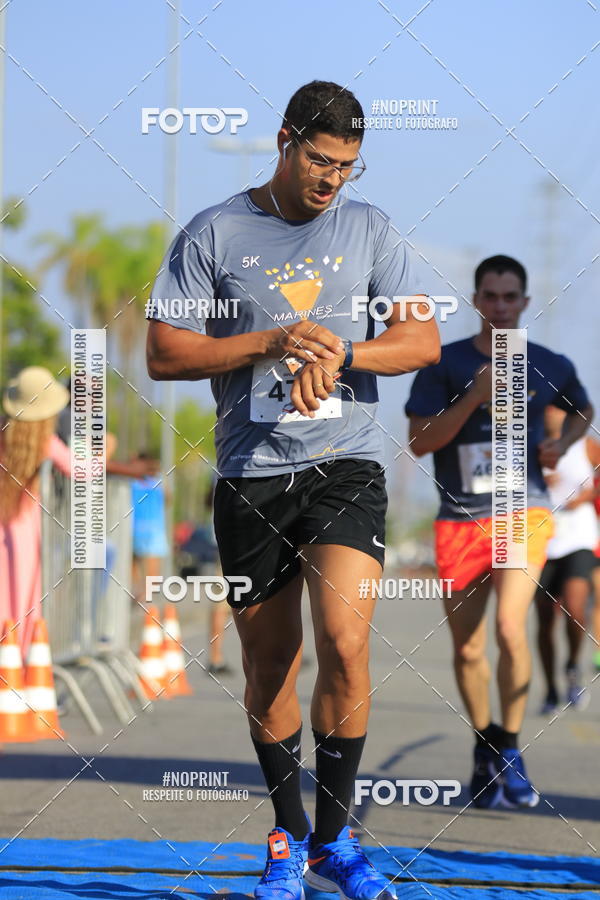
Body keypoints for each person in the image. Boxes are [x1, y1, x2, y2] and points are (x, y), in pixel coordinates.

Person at [147, 80, 439, 900]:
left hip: (345, 462)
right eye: (320, 160)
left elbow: (419, 338)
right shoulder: (212, 231)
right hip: (250, 472)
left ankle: (337, 840)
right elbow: (164, 354)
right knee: (270, 665)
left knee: (345, 642)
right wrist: (268, 342)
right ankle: (287, 839)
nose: (332, 180)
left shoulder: (369, 227)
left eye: (347, 165)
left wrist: (344, 353)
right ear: (285, 141)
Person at [405, 255, 593, 810]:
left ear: (525, 302)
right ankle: (484, 742)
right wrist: (474, 396)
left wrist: (563, 443)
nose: (501, 307)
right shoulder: (443, 362)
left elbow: (582, 407)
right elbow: (420, 442)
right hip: (459, 516)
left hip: (523, 511)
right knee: (467, 648)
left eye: (510, 297)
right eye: (490, 296)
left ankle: (509, 748)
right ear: (476, 300)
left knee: (511, 627)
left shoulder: (548, 363)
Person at [0, 366, 159, 656]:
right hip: (27, 528)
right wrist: (126, 465)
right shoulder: (44, 442)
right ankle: (19, 662)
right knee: (25, 597)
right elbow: (80, 467)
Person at [534, 408, 600, 713]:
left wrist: (586, 497)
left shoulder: (586, 445)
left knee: (576, 608)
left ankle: (573, 665)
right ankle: (550, 690)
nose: (552, 415)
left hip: (579, 539)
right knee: (546, 618)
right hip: (542, 540)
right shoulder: (531, 442)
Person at [131, 452, 169, 602]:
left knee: (134, 561)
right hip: (155, 528)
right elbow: (168, 499)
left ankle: (139, 589)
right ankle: (147, 595)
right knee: (152, 565)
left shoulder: (133, 482)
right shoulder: (158, 481)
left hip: (136, 527)